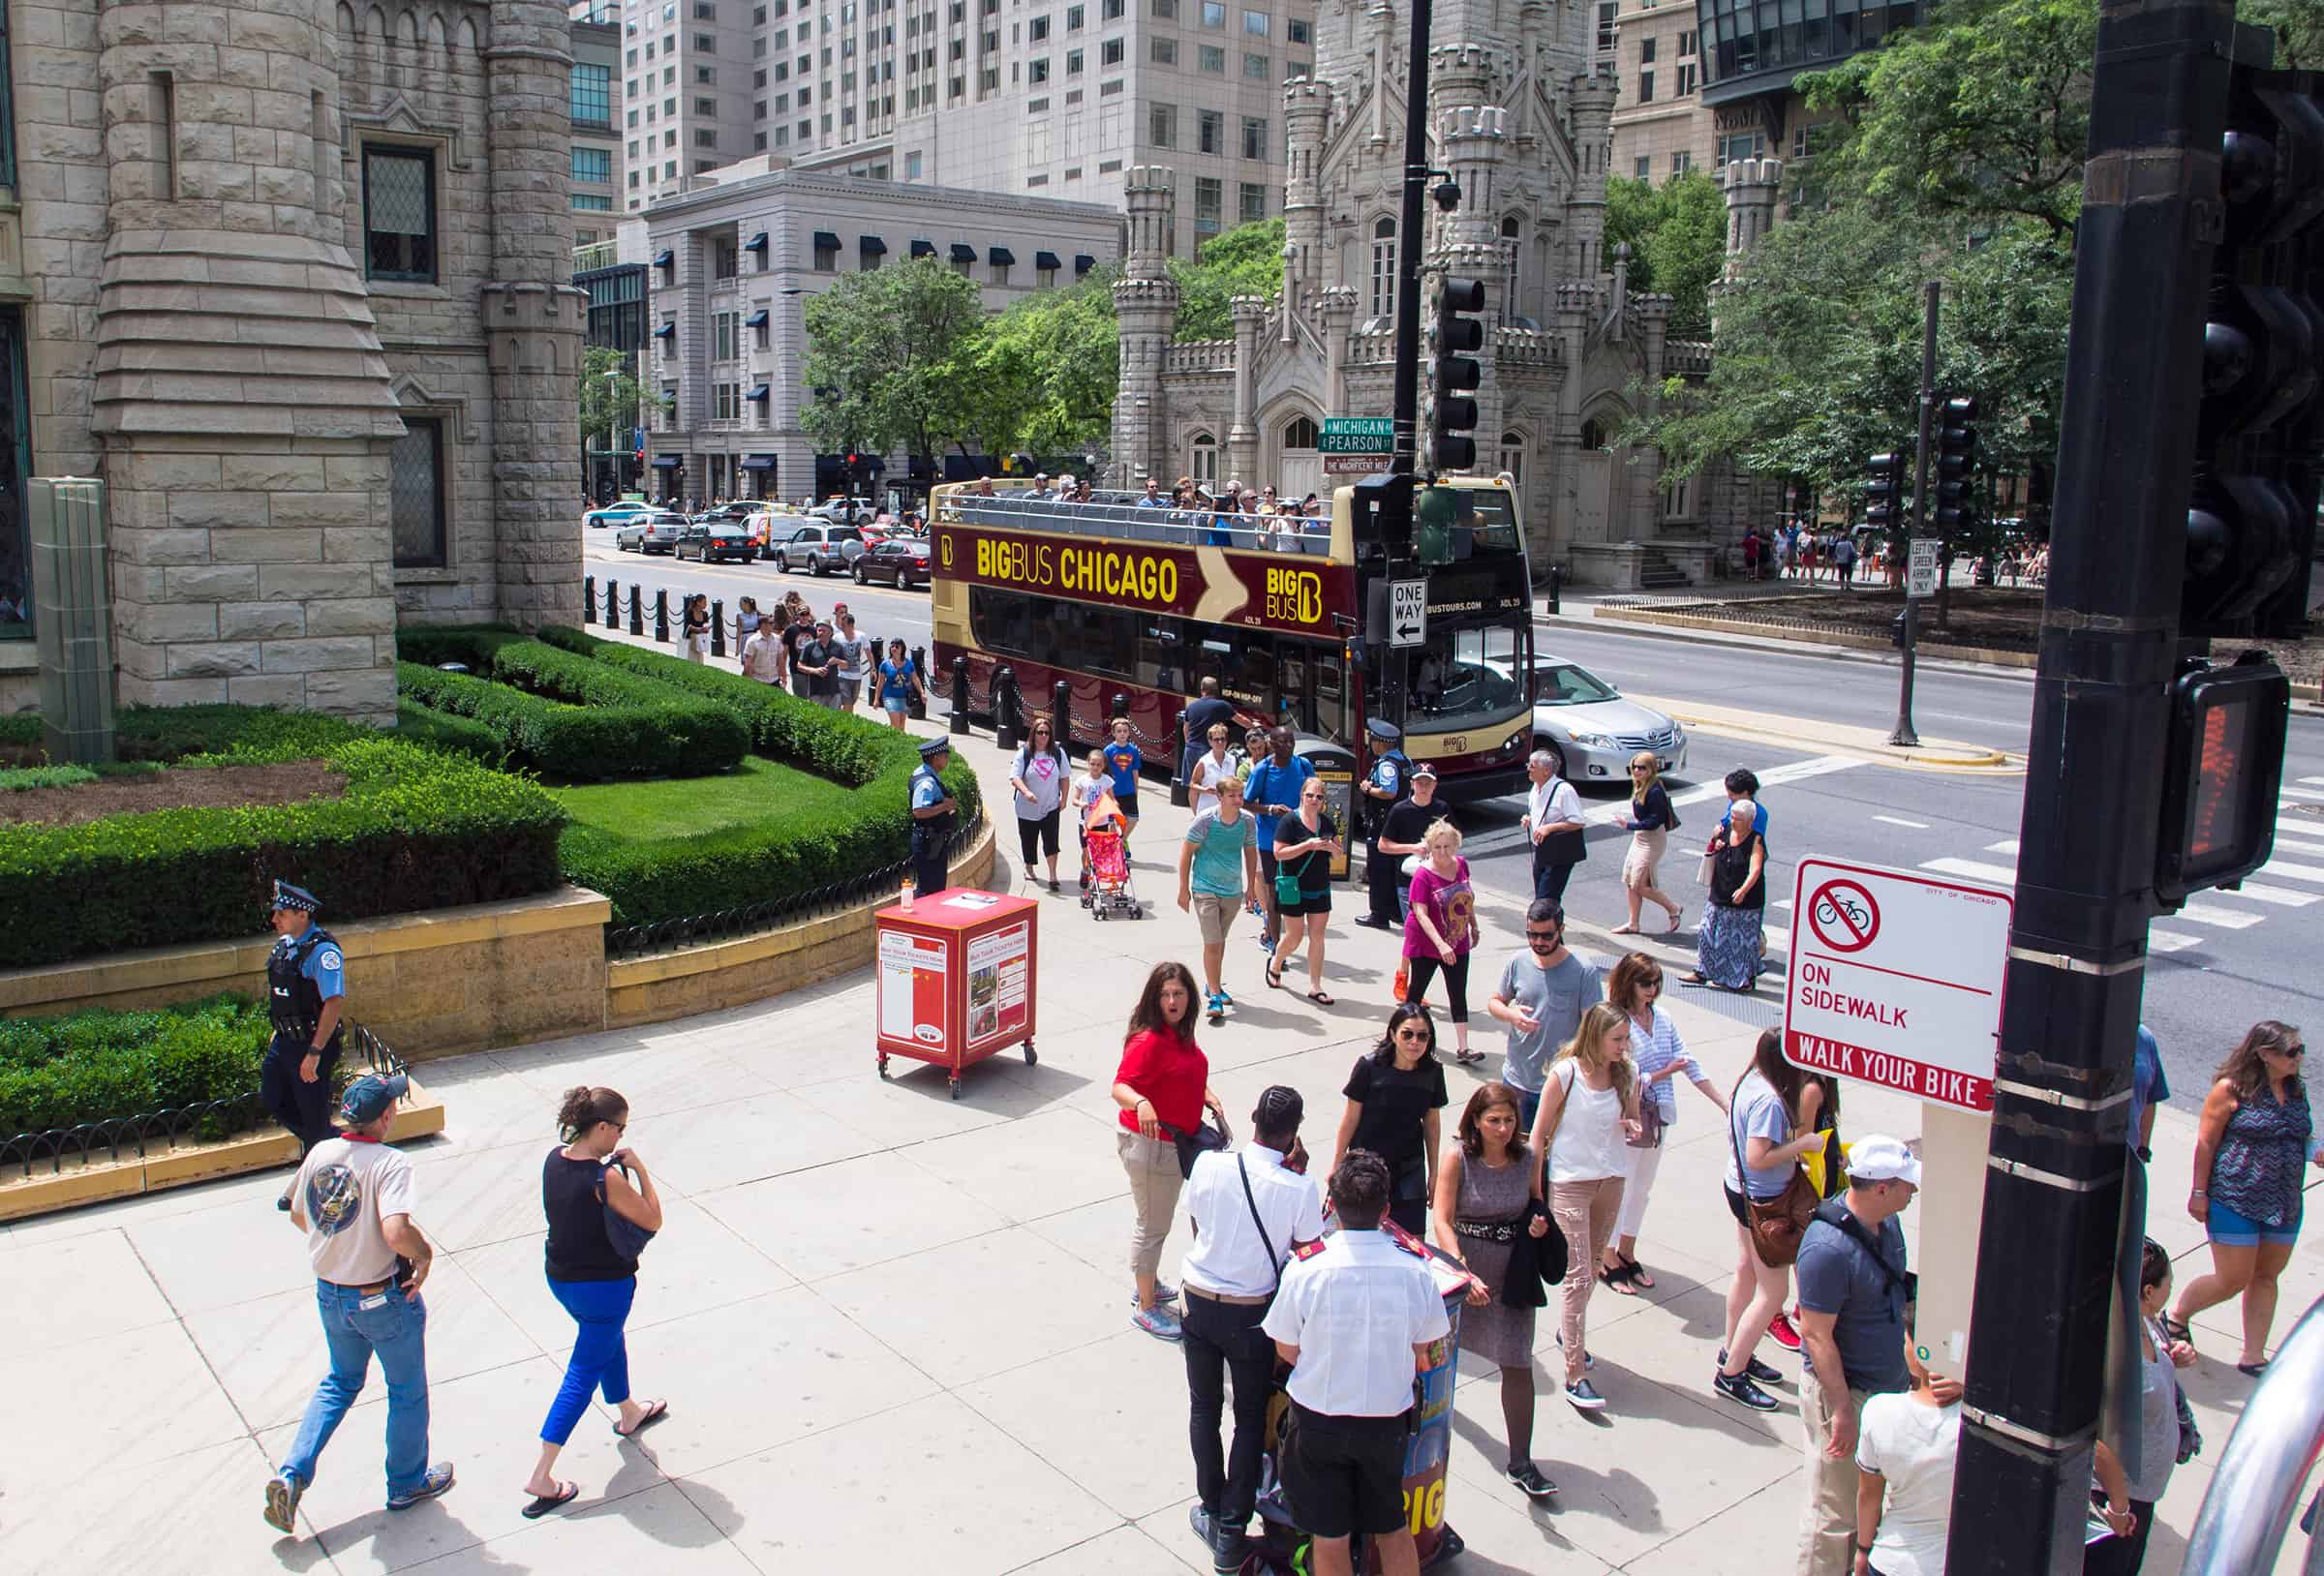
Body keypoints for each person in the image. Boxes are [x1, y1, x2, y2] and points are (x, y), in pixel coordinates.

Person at [262, 1074, 455, 1534]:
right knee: (406, 1390)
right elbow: (395, 1232)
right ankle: (406, 1482)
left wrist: (339, 1247)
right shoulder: (391, 1163)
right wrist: (424, 1255)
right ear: (385, 1117)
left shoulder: (322, 1152)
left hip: (331, 1294)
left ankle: (291, 1475)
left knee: (340, 1381)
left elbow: (296, 1212)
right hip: (381, 1299)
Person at [1262, 1151, 1451, 1576]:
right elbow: (1428, 1345)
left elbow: (1286, 1349)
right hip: (1385, 1424)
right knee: (1391, 1528)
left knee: (1330, 1537)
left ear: (1333, 1204)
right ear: (1386, 1209)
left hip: (1319, 1424)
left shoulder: (1307, 1269)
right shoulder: (1415, 1270)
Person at [1792, 1136, 1953, 1576]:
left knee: (1866, 1506)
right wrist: (1841, 1408)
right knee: (1835, 1515)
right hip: (1847, 1393)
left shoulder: (1889, 1225)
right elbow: (1816, 1335)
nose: (1913, 1192)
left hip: (1885, 1388)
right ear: (1881, 1188)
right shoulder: (1827, 1250)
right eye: (1907, 1185)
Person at [1180, 1086, 1325, 1574]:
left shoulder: (1209, 1164)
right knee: (1246, 1420)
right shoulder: (1300, 1188)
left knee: (1203, 1407)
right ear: (1295, 1133)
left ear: (1253, 1118)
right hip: (1250, 1315)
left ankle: (1211, 1506)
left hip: (1197, 1300)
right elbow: (1308, 1257)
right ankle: (1231, 1530)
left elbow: (1199, 1227)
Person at [521, 1086, 668, 1517]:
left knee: (605, 1339)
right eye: (619, 1129)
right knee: (582, 1372)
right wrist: (639, 1168)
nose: (621, 1137)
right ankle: (542, 1474)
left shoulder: (554, 1159)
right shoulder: (607, 1179)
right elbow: (653, 1217)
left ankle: (628, 1411)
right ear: (601, 1127)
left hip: (561, 1279)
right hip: (603, 1286)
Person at [2167, 1019, 2322, 1375]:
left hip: (2284, 1202)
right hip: (2234, 1199)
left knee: (2266, 1276)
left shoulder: (2296, 1090)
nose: (2300, 1057)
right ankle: (2177, 1314)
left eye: (2301, 1049)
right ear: (2265, 1054)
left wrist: (2317, 1151)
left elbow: (2302, 1136)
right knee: (2232, 1278)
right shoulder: (2231, 1090)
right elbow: (2206, 1141)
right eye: (2292, 1051)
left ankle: (2253, 1355)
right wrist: (2199, 1193)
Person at [1434, 1082, 1557, 1500]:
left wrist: (1539, 1223)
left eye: (1509, 1120)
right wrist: (1462, 1271)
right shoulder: (1459, 1158)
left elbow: (1537, 1203)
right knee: (1438, 1359)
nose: (1503, 1129)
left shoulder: (1529, 1159)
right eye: (1494, 1121)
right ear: (1476, 1121)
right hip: (1467, 1270)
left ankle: (1521, 1461)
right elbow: (1443, 1220)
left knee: (1517, 1362)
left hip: (1513, 1273)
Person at [1530, 1002, 1641, 1411]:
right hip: (1570, 1182)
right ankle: (1575, 1373)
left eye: (1626, 1039)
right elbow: (1538, 1135)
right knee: (1577, 1276)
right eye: (1617, 1039)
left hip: (1611, 1179)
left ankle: (1567, 1331)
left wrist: (1632, 1124)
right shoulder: (1567, 1074)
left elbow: (1632, 1119)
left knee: (1594, 1265)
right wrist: (1535, 1194)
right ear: (1595, 1035)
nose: (1624, 1047)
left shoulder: (1625, 1074)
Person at [1111, 961, 1230, 1340]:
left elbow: (1183, 1073)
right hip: (1151, 1147)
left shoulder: (1180, 1034)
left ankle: (1147, 1283)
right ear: (1154, 999)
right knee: (1153, 1226)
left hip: (1172, 1145)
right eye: (1165, 995)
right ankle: (1145, 1306)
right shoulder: (1149, 1040)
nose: (1172, 1000)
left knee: (1156, 1220)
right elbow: (1120, 1086)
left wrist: (1205, 1095)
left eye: (1178, 993)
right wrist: (1141, 1102)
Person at [1603, 952, 1727, 1294]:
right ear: (1629, 983)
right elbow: (1621, 1073)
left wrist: (1724, 1104)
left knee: (1642, 1190)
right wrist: (1664, 1072)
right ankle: (1608, 1255)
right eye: (1646, 983)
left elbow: (1689, 1063)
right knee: (1621, 1188)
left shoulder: (1664, 1018)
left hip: (1658, 1118)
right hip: (1627, 1117)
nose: (1652, 990)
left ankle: (1627, 1250)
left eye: (1657, 983)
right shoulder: (1617, 1022)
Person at [1715, 1030, 1825, 1411]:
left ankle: (1734, 1351)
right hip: (1765, 1201)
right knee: (1773, 1294)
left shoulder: (1750, 1081)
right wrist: (1803, 1146)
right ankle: (1731, 1373)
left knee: (1746, 1272)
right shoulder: (1769, 1101)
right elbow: (1759, 1156)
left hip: (1742, 1191)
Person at [1485, 897, 1605, 1141]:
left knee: (1551, 1156)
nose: (1538, 942)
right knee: (1513, 1152)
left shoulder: (1583, 971)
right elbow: (1495, 1002)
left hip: (1559, 1083)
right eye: (1532, 935)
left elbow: (1593, 1029)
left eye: (1546, 936)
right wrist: (1511, 1014)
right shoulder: (1518, 961)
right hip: (1517, 1078)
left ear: (1561, 930)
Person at [262, 880, 348, 1212]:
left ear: (302, 914)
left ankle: (315, 1187)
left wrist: (314, 1053)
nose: (275, 920)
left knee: (313, 1121)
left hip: (311, 1047)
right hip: (284, 1042)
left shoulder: (322, 952)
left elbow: (334, 1002)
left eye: (281, 913)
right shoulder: (285, 945)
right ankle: (340, 1144)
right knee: (272, 1098)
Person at [1329, 1004, 1450, 1236]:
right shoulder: (1368, 1067)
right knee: (1360, 1237)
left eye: (1422, 1036)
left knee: (1414, 1241)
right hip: (1366, 1168)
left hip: (1409, 1168)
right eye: (1407, 1034)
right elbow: (1351, 1117)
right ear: (1393, 1034)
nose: (1415, 1042)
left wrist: (1434, 1173)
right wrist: (1337, 1164)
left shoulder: (1433, 1073)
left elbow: (1432, 1124)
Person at [1851, 1344, 1964, 1576]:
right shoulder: (1978, 1426)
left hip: (1888, 1562)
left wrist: (1863, 1550)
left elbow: (1869, 1495)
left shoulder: (1879, 1411)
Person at [1178, 775, 1263, 1020]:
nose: (1238, 800)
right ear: (1219, 797)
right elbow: (1186, 854)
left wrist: (1250, 889)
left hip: (1232, 890)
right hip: (1205, 888)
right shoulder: (1205, 821)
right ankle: (1215, 996)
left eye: (1240, 796)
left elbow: (1250, 853)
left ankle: (1211, 982)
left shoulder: (1247, 821)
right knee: (1213, 942)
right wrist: (1183, 889)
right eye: (1232, 796)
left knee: (1220, 940)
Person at [1401, 819, 1482, 1064]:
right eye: (1437, 847)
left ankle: (1463, 1047)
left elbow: (1466, 897)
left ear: (1455, 846)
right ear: (1429, 847)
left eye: (1447, 846)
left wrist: (1473, 924)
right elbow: (1421, 914)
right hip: (1427, 942)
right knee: (1416, 992)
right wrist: (1441, 945)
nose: (1443, 852)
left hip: (1457, 940)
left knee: (1458, 992)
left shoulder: (1462, 866)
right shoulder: (1423, 875)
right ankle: (1397, 1037)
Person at [1267, 779, 1341, 1006]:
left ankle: (1315, 986)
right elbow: (1278, 853)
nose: (1314, 800)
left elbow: (1339, 854)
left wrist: (1330, 847)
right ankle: (1276, 962)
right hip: (1293, 886)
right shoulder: (1290, 821)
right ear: (1302, 796)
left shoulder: (1327, 823)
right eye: (1310, 795)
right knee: (1294, 937)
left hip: (1319, 887)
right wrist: (1307, 845)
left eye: (1319, 797)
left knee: (1318, 937)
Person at [1244, 727, 1317, 954]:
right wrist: (1269, 809)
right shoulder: (1263, 769)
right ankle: (1275, 944)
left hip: (1299, 840)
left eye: (1291, 742)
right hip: (1270, 842)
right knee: (1274, 894)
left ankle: (1290, 940)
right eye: (1283, 742)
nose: (1288, 746)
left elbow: (1316, 794)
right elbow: (1246, 802)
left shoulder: (1303, 766)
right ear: (1272, 744)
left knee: (1299, 893)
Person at [1688, 794, 1767, 989]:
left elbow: (1756, 869)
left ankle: (1742, 980)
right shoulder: (1724, 832)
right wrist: (1715, 840)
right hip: (1720, 891)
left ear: (1750, 821)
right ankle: (1702, 972)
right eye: (1732, 817)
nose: (1734, 822)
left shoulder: (1756, 840)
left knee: (1740, 943)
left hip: (1745, 900)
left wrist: (1743, 890)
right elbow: (1713, 850)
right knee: (1708, 932)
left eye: (1738, 819)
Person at [1614, 752, 1684, 934]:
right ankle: (1633, 923)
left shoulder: (1655, 791)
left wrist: (1628, 825)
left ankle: (1673, 909)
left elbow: (1655, 821)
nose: (1637, 771)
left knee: (1640, 884)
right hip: (1640, 837)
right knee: (1629, 880)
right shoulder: (1640, 786)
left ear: (1651, 769)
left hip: (1652, 840)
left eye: (1642, 767)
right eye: (1635, 767)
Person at [1371, 760, 1441, 931]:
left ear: (1435, 785)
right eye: (1419, 783)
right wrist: (1412, 848)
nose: (1423, 787)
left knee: (1435, 931)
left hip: (1436, 880)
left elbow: (1455, 842)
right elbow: (1383, 845)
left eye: (1428, 783)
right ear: (1412, 784)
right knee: (1416, 932)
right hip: (1408, 880)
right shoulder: (1400, 810)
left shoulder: (1442, 809)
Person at [1356, 719, 1412, 930]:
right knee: (1394, 870)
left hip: (1382, 824)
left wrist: (1368, 789)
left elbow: (1389, 791)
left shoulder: (1387, 764)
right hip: (1400, 823)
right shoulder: (1405, 760)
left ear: (1380, 743)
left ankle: (1379, 914)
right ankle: (1396, 911)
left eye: (1373, 740)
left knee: (1378, 870)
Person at [1009, 719, 1071, 893]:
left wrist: (1064, 799)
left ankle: (1053, 875)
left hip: (1050, 806)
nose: (1043, 736)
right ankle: (1029, 867)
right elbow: (1014, 777)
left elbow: (1064, 778)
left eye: (1046, 733)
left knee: (1051, 841)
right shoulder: (1024, 753)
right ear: (1033, 733)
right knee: (1028, 840)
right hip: (1026, 808)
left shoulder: (1058, 752)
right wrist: (1026, 792)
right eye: (1040, 732)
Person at [1521, 748, 1587, 902]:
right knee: (1541, 895)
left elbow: (1578, 821)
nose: (1528, 769)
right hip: (1541, 849)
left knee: (1547, 897)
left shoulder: (1564, 791)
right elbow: (1540, 812)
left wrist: (1549, 828)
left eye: (1532, 765)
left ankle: (1548, 925)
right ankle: (1550, 923)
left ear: (1546, 771)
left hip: (1559, 852)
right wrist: (1529, 819)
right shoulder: (1535, 788)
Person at [908, 737, 957, 898]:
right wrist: (945, 806)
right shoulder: (926, 782)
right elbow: (919, 811)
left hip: (932, 839)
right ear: (935, 758)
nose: (947, 759)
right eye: (945, 755)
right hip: (928, 842)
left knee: (932, 886)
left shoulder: (924, 772)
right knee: (930, 889)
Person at [1181, 676, 1238, 790]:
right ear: (1216, 690)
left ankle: (1195, 807)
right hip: (1207, 750)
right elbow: (1240, 719)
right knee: (1210, 785)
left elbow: (1185, 728)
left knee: (1193, 784)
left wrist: (1189, 743)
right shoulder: (1222, 705)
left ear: (1202, 690)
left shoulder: (1191, 706)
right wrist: (1256, 726)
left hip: (1191, 749)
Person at [1072, 746, 1115, 891]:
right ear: (1088, 763)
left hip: (1101, 821)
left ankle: (1095, 875)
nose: (1095, 767)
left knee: (1098, 851)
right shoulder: (1082, 781)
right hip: (1086, 822)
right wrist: (1081, 803)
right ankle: (1085, 871)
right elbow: (1075, 799)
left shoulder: (1106, 781)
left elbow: (1111, 798)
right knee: (1086, 850)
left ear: (1103, 766)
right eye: (1093, 764)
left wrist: (1114, 806)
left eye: (1099, 765)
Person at [1104, 715, 1145, 844]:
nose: (1122, 734)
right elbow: (1104, 771)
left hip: (1129, 790)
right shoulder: (1108, 750)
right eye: (1119, 731)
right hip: (1113, 792)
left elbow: (1135, 771)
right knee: (1111, 822)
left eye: (1125, 731)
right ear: (1113, 733)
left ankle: (1121, 841)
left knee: (1132, 819)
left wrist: (1136, 789)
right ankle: (1112, 848)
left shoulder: (1133, 750)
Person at [1189, 721, 1238, 819]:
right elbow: (1193, 784)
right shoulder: (1204, 762)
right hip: (1207, 811)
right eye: (1216, 740)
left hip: (1226, 811)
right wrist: (1205, 790)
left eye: (1223, 739)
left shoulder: (1232, 760)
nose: (1220, 742)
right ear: (1210, 742)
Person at [875, 638, 922, 729]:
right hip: (889, 696)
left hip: (904, 697)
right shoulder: (885, 664)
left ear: (902, 649)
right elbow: (880, 682)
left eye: (897, 646)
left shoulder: (909, 664)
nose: (894, 648)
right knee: (895, 723)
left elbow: (915, 678)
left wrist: (922, 693)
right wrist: (876, 699)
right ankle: (893, 741)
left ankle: (898, 742)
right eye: (892, 646)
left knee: (901, 726)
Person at [830, 611, 871, 712]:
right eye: (841, 625)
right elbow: (832, 655)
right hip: (842, 676)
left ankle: (841, 718)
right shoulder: (837, 637)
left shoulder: (861, 636)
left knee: (852, 702)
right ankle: (846, 724)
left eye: (844, 625)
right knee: (848, 703)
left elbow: (868, 652)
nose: (842, 627)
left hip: (857, 676)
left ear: (851, 625)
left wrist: (873, 667)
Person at [740, 611, 787, 687]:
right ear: (763, 625)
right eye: (771, 623)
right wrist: (749, 681)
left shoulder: (777, 639)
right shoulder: (752, 641)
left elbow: (781, 660)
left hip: (774, 680)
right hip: (758, 680)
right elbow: (748, 664)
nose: (774, 625)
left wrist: (784, 677)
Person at [680, 593, 711, 663]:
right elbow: (688, 626)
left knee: (699, 661)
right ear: (698, 603)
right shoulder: (690, 612)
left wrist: (706, 629)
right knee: (690, 660)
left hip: (700, 641)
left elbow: (705, 625)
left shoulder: (705, 614)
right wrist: (699, 629)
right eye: (704, 602)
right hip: (690, 640)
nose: (706, 604)